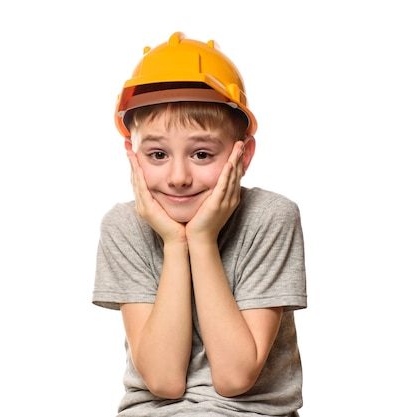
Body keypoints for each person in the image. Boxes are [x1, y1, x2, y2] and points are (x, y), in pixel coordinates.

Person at [92, 32, 307, 417]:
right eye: (157, 154)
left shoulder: (271, 216)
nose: (178, 177)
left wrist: (203, 241)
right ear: (132, 155)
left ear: (243, 155)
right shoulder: (124, 226)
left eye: (202, 153)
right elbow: (163, 381)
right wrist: (175, 244)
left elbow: (236, 377)